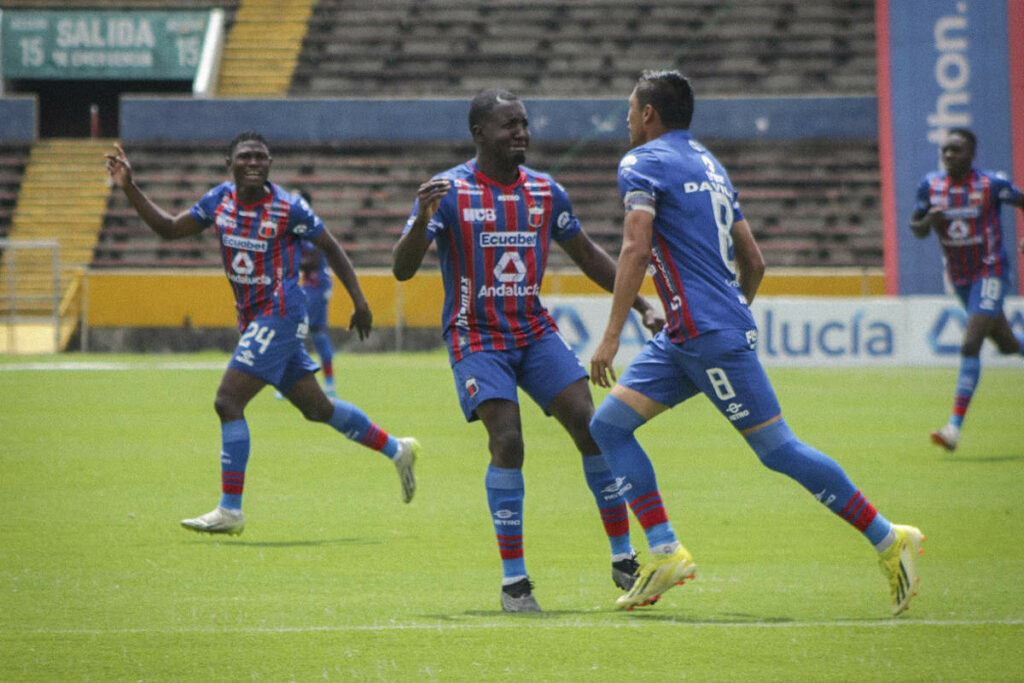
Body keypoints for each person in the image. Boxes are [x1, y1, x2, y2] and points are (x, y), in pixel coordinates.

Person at [587, 70, 924, 615]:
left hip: (703, 335)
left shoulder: (641, 162)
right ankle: (666, 549)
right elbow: (756, 262)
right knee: (608, 425)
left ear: (648, 113)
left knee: (778, 448)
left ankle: (890, 538)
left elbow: (635, 249)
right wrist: (728, 313)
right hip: (688, 335)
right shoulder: (710, 165)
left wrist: (609, 337)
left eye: (630, 109)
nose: (627, 119)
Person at [392, 89, 662, 612]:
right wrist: (423, 219)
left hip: (533, 332)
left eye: (523, 124)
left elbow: (586, 254)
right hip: (477, 336)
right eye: (507, 125)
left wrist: (641, 305)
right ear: (478, 134)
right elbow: (403, 270)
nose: (520, 133)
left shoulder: (545, 191)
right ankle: (515, 582)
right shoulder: (447, 193)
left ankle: (624, 558)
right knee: (508, 440)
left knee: (593, 427)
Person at [104, 132, 419, 536]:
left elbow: (331, 246)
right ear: (230, 164)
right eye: (246, 156)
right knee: (317, 409)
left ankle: (230, 510)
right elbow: (168, 229)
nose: (254, 162)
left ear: (270, 164)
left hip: (281, 312)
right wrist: (129, 187)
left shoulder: (289, 207)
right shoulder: (219, 200)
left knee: (227, 400)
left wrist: (360, 301)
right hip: (254, 318)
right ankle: (398, 449)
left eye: (262, 157)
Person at [909, 128, 1024, 453]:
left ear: (971, 154)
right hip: (960, 278)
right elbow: (916, 229)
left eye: (955, 150)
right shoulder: (930, 186)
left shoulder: (992, 184)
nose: (948, 155)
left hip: (990, 270)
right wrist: (928, 222)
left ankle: (953, 429)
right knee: (1007, 343)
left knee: (970, 342)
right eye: (945, 150)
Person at [275, 189, 337, 400]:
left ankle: (291, 384)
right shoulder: (301, 225)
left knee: (294, 330)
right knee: (317, 333)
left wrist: (288, 261)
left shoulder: (309, 225)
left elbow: (313, 256)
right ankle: (328, 384)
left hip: (315, 286)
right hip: (316, 286)